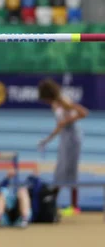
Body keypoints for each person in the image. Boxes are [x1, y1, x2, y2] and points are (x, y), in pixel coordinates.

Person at [37, 79, 88, 216]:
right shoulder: (54, 104)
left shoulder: (64, 101)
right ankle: (52, 201)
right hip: (65, 137)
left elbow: (84, 113)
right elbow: (59, 125)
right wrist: (47, 140)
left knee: (70, 169)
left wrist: (66, 121)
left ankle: (74, 206)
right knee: (59, 169)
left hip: (74, 137)